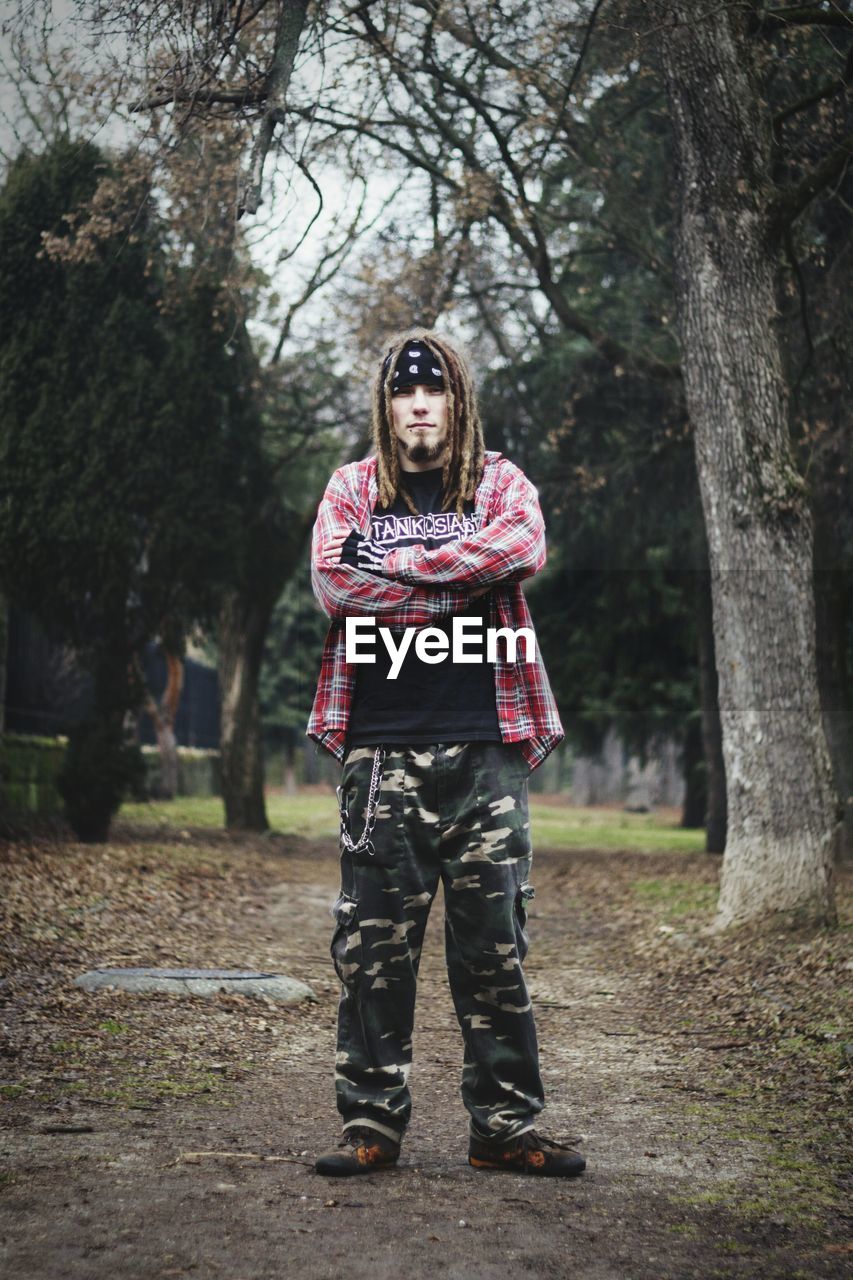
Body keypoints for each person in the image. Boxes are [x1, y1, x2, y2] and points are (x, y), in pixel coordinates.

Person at [307, 329, 585, 1179]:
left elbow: (520, 550)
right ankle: (370, 1123)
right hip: (382, 755)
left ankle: (504, 1126)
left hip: (486, 751)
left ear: (456, 401)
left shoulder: (498, 483)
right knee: (373, 950)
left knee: (493, 949)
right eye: (403, 392)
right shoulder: (350, 486)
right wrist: (457, 578)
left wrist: (397, 564)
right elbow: (333, 582)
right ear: (385, 406)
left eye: (433, 392)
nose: (418, 405)